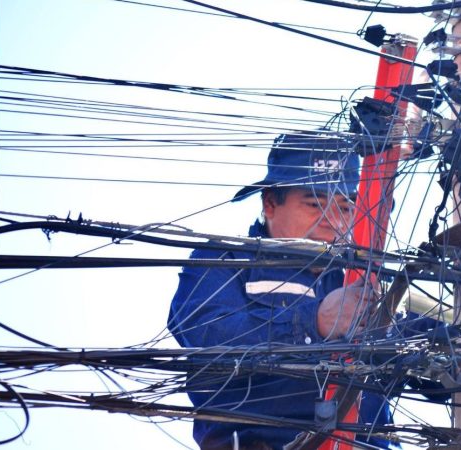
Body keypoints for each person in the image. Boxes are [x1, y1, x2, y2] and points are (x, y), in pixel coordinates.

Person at [168, 131, 397, 450]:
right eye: (315, 203)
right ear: (270, 204)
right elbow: (209, 333)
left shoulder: (359, 278)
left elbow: (426, 343)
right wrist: (313, 322)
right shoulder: (227, 260)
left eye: (345, 208)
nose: (333, 220)